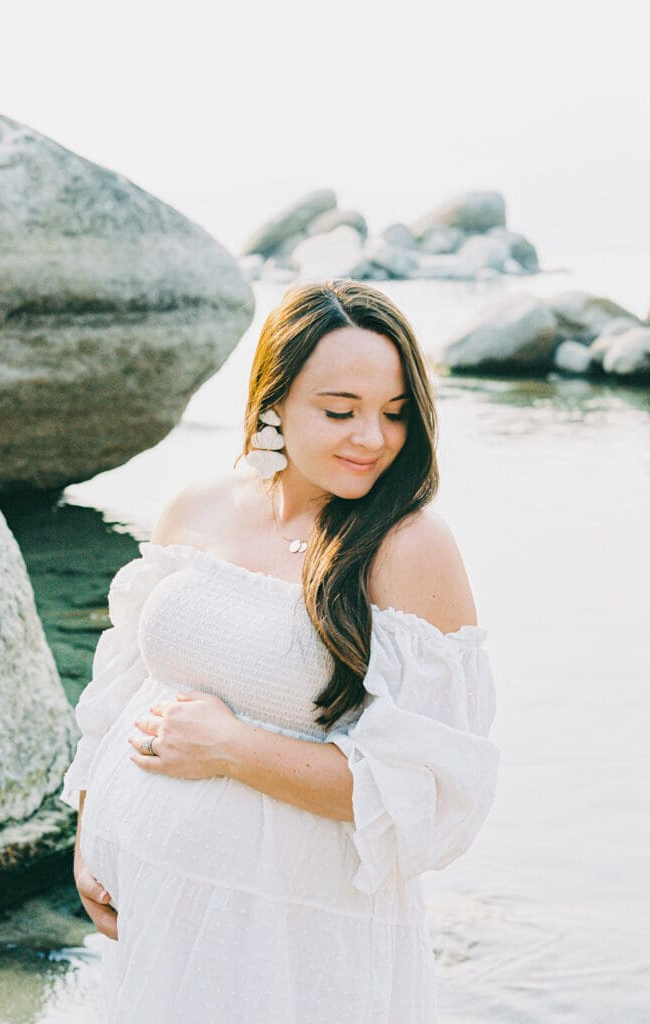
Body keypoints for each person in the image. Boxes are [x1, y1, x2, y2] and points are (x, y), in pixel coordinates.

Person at [60, 279, 500, 1023]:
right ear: (274, 400)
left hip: (295, 940)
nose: (373, 438)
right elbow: (126, 690)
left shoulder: (409, 548)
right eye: (340, 411)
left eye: (395, 414)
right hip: (159, 912)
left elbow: (424, 795)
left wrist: (233, 748)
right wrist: (90, 831)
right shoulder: (195, 506)